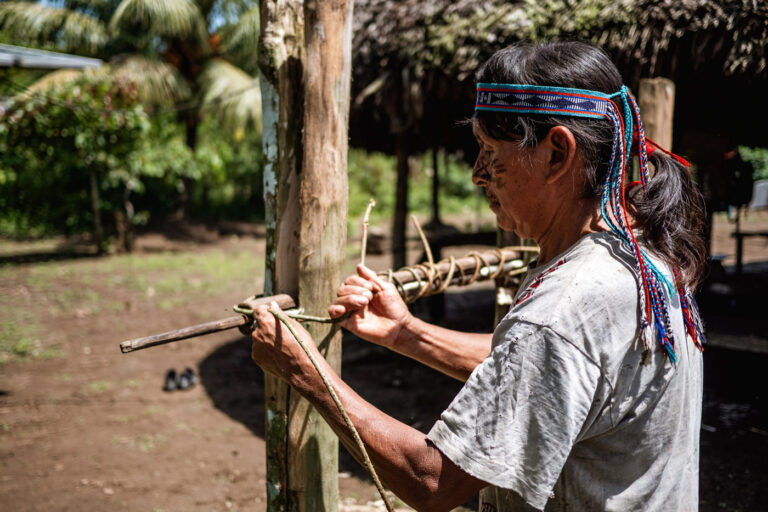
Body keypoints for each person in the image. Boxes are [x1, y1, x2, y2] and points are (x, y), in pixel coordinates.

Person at [249, 41, 707, 512]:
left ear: (556, 154)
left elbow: (433, 481)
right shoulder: (639, 258)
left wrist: (305, 372)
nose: (477, 174)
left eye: (490, 151)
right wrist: (407, 333)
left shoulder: (562, 310)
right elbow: (544, 375)